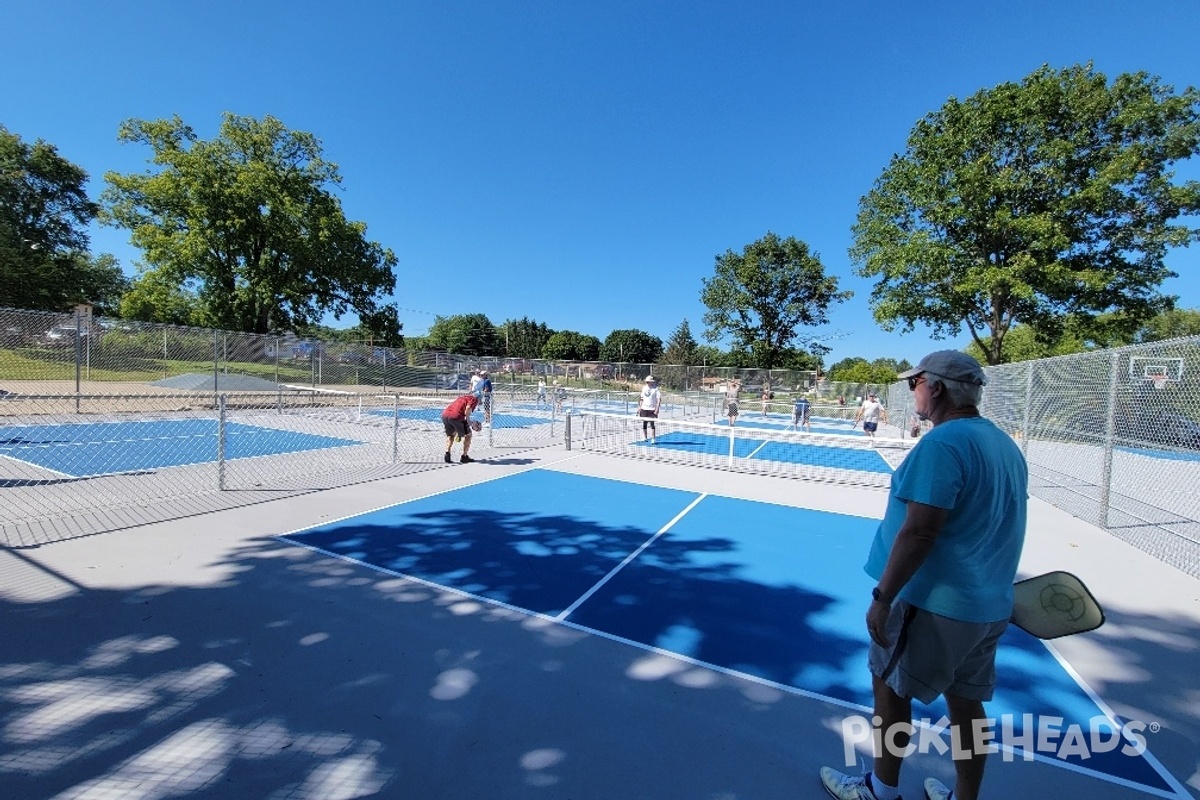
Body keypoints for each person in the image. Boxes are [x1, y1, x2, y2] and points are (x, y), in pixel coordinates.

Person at [819, 350, 1028, 800]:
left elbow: (919, 532)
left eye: (915, 381)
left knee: (891, 692)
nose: (912, 389)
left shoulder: (942, 445)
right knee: (967, 708)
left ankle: (880, 789)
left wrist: (883, 597)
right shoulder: (1004, 445)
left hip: (933, 604)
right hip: (986, 607)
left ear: (934, 387)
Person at [440, 392, 480, 464]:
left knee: (451, 435)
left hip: (445, 415)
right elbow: (467, 408)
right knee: (468, 434)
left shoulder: (462, 397)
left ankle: (447, 452)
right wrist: (469, 422)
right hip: (456, 417)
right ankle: (464, 456)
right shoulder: (474, 399)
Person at [638, 375, 661, 443]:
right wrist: (639, 407)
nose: (650, 383)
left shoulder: (655, 389)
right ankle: (645, 437)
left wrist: (657, 409)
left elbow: (659, 399)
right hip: (644, 409)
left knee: (652, 424)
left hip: (652, 409)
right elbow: (641, 398)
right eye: (648, 382)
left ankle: (653, 439)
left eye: (651, 381)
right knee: (644, 423)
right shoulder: (644, 388)